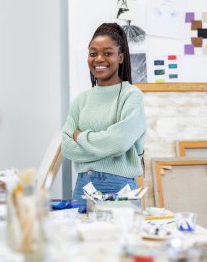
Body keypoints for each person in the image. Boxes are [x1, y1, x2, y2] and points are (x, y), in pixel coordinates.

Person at [61, 22, 146, 212]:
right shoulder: (81, 100)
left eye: (107, 53)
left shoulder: (131, 96)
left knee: (121, 241)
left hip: (119, 188)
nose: (99, 59)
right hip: (82, 188)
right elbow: (67, 147)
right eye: (93, 53)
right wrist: (106, 146)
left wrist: (81, 137)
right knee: (79, 241)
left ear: (121, 57)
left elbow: (118, 143)